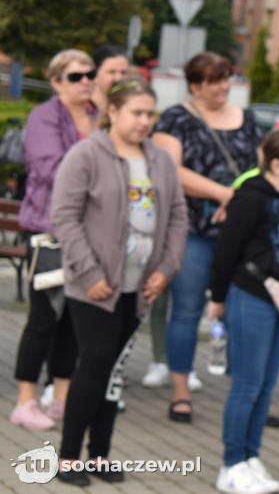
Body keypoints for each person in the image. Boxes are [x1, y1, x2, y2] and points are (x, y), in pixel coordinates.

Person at [50, 78, 187, 486]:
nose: (145, 122)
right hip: (95, 288)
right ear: (113, 112)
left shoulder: (159, 159)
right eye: (137, 113)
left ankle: (100, 454)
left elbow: (178, 215)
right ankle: (69, 457)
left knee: (113, 372)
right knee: (93, 364)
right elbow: (66, 219)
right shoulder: (87, 155)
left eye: (151, 114)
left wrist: (166, 268)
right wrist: (90, 273)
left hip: (139, 286)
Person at [152, 51, 265, 422]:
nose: (223, 86)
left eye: (226, 77)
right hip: (195, 229)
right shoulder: (176, 118)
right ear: (195, 86)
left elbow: (261, 169)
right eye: (214, 80)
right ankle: (181, 390)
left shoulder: (246, 119)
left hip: (239, 232)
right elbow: (171, 170)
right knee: (186, 310)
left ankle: (242, 392)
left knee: (239, 313)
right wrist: (224, 195)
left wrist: (241, 201)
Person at [207, 128, 279, 494]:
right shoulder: (251, 198)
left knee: (267, 385)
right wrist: (217, 297)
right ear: (277, 164)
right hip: (251, 296)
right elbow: (226, 249)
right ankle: (231, 464)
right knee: (247, 385)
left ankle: (251, 457)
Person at [10, 49, 95, 431]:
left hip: (89, 233)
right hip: (48, 230)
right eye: (75, 77)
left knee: (74, 321)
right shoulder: (44, 116)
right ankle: (26, 400)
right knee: (44, 318)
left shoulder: (98, 115)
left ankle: (60, 398)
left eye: (89, 74)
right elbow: (51, 169)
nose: (86, 82)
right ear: (56, 81)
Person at [89, 45, 131, 113]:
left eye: (123, 72)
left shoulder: (130, 111)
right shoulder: (81, 111)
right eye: (111, 72)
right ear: (95, 74)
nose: (118, 78)